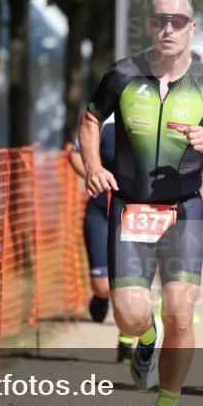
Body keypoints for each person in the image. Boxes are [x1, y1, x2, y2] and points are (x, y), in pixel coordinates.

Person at [79, 0, 203, 406]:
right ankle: (144, 340)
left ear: (191, 28)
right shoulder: (122, 74)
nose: (166, 28)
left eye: (177, 20)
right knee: (128, 314)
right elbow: (91, 121)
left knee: (182, 315)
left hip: (183, 209)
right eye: (158, 20)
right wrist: (93, 166)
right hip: (129, 207)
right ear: (148, 25)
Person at [68, 118, 135, 362]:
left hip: (134, 211)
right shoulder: (104, 122)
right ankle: (99, 296)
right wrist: (93, 175)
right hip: (101, 208)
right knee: (103, 285)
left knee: (128, 282)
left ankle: (125, 341)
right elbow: (74, 154)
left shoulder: (153, 118)